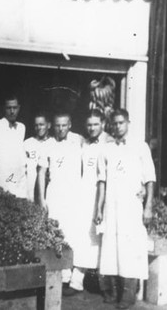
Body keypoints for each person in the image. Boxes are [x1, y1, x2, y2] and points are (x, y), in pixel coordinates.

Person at [94, 108, 155, 309]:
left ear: (128, 122)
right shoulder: (106, 148)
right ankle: (110, 292)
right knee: (111, 247)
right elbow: (102, 181)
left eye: (121, 122)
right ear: (110, 125)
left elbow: (149, 179)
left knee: (131, 248)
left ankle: (128, 295)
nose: (118, 127)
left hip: (132, 206)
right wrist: (100, 208)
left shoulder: (140, 147)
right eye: (115, 123)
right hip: (112, 205)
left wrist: (148, 207)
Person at [62, 109, 114, 296]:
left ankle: (102, 285)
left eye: (96, 124)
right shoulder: (83, 142)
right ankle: (77, 280)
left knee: (98, 239)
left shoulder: (110, 143)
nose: (92, 128)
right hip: (83, 196)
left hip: (101, 195)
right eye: (89, 124)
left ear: (103, 124)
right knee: (82, 237)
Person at [36, 112, 83, 293]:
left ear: (70, 125)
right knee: (58, 234)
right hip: (55, 195)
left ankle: (76, 277)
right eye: (57, 125)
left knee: (74, 233)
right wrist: (41, 199)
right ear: (52, 126)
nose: (61, 129)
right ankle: (63, 276)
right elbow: (41, 173)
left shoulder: (78, 140)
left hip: (74, 195)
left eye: (64, 125)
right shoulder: (47, 145)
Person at [24, 112, 54, 202]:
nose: (39, 128)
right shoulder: (27, 143)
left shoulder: (53, 143)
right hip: (30, 186)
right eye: (36, 125)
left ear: (48, 125)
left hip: (47, 186)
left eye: (41, 124)